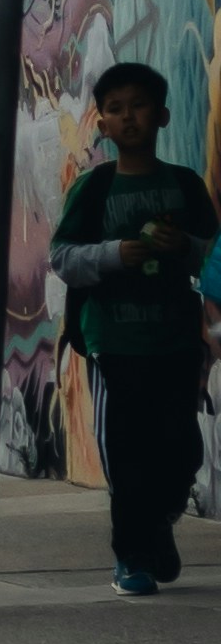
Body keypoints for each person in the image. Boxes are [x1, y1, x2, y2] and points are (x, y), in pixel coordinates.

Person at [48, 61, 220, 597]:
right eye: (115, 109)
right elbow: (62, 256)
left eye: (139, 106)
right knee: (126, 455)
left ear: (162, 115)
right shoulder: (94, 188)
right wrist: (113, 255)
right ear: (102, 125)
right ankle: (132, 557)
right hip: (113, 344)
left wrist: (186, 249)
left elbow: (214, 261)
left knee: (181, 450)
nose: (128, 118)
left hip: (174, 341)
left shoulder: (185, 186)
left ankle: (161, 520)